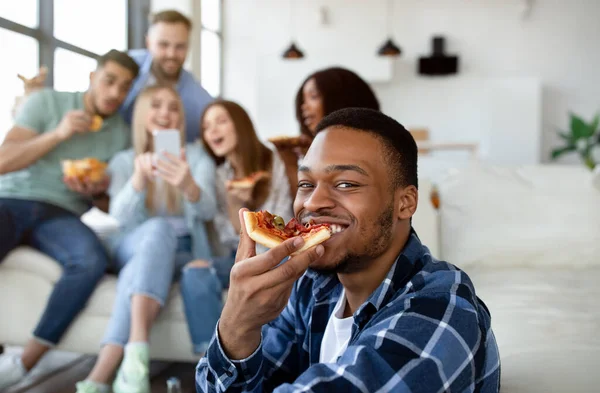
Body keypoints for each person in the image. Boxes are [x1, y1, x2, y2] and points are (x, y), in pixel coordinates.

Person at [195, 107, 501, 392]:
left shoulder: (441, 308)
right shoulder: (309, 289)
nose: (312, 203)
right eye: (305, 183)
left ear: (405, 203)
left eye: (346, 184)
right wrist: (237, 327)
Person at [0, 50, 139, 389]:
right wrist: (58, 135)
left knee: (89, 259)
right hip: (11, 199)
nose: (114, 94)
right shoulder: (47, 102)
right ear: (92, 77)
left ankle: (23, 363)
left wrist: (96, 191)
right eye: (109, 81)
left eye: (124, 88)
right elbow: (3, 160)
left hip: (62, 213)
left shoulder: (120, 132)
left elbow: (112, 207)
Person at [75, 85, 222, 393]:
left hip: (182, 252)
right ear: (142, 114)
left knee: (141, 267)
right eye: (156, 105)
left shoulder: (196, 157)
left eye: (173, 108)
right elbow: (119, 220)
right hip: (134, 246)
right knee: (157, 231)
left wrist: (188, 186)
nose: (165, 113)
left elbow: (209, 209)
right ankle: (136, 351)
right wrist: (138, 183)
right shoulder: (125, 161)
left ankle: (101, 377)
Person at [188, 99, 293, 290]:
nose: (212, 131)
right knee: (194, 274)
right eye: (206, 127)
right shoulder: (221, 177)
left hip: (276, 255)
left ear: (240, 124)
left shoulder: (273, 161)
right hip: (238, 258)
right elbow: (229, 240)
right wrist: (234, 205)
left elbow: (282, 225)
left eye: (220, 121)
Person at [274, 67, 381, 196]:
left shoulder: (372, 153)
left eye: (313, 97)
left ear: (341, 100)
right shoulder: (303, 154)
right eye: (303, 100)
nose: (304, 107)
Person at [120, 9, 213, 143]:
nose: (171, 54)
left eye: (180, 46)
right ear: (148, 43)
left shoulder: (200, 100)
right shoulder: (124, 67)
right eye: (163, 45)